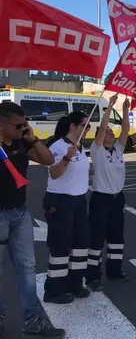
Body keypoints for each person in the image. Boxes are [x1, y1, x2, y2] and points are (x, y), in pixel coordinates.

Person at [0, 102, 65, 338]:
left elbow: (49, 161)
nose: (23, 127)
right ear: (2, 124)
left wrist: (32, 138)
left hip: (20, 212)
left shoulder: (20, 141)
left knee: (27, 269)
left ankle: (33, 321)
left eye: (25, 123)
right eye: (19, 125)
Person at [44, 111, 91, 303]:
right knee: (61, 245)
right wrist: (65, 159)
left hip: (79, 200)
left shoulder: (79, 147)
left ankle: (75, 283)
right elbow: (53, 174)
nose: (88, 129)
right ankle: (54, 290)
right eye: (85, 126)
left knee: (80, 243)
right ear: (73, 126)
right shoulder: (58, 146)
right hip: (60, 201)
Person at [86, 95, 131, 292]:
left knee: (116, 238)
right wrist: (109, 107)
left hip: (117, 199)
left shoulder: (118, 149)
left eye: (112, 132)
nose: (111, 134)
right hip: (101, 199)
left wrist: (125, 110)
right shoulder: (97, 150)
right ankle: (93, 276)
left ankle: (114, 270)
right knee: (96, 238)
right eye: (108, 132)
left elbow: (126, 130)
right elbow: (102, 128)